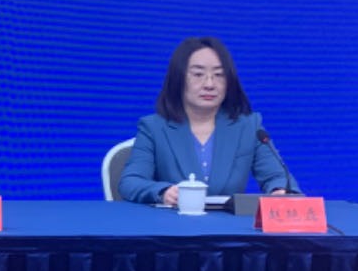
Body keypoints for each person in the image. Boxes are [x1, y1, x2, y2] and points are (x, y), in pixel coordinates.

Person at [119, 36, 296, 206]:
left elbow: (277, 177)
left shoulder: (249, 126)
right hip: (173, 222)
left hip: (229, 224)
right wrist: (163, 192)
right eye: (198, 74)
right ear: (178, 79)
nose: (209, 84)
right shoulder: (154, 128)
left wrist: (279, 190)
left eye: (219, 75)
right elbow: (131, 181)